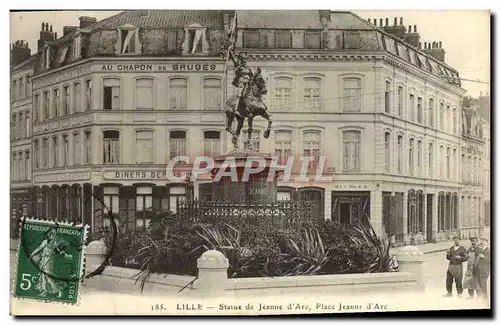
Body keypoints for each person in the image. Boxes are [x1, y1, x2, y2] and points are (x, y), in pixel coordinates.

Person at [28, 228, 73, 298]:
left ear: (53, 235)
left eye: (51, 234)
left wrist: (68, 256)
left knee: (48, 276)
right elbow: (39, 248)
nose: (49, 235)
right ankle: (44, 291)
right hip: (43, 259)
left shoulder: (55, 243)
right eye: (48, 234)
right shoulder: (45, 241)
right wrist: (32, 255)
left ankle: (59, 289)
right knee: (43, 275)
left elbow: (59, 252)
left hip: (49, 260)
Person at [230, 51, 254, 117]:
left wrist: (251, 80)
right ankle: (236, 109)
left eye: (245, 60)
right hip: (242, 83)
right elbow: (236, 73)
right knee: (240, 94)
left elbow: (252, 75)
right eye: (243, 60)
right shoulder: (239, 68)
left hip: (249, 83)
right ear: (241, 61)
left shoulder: (249, 67)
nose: (245, 62)